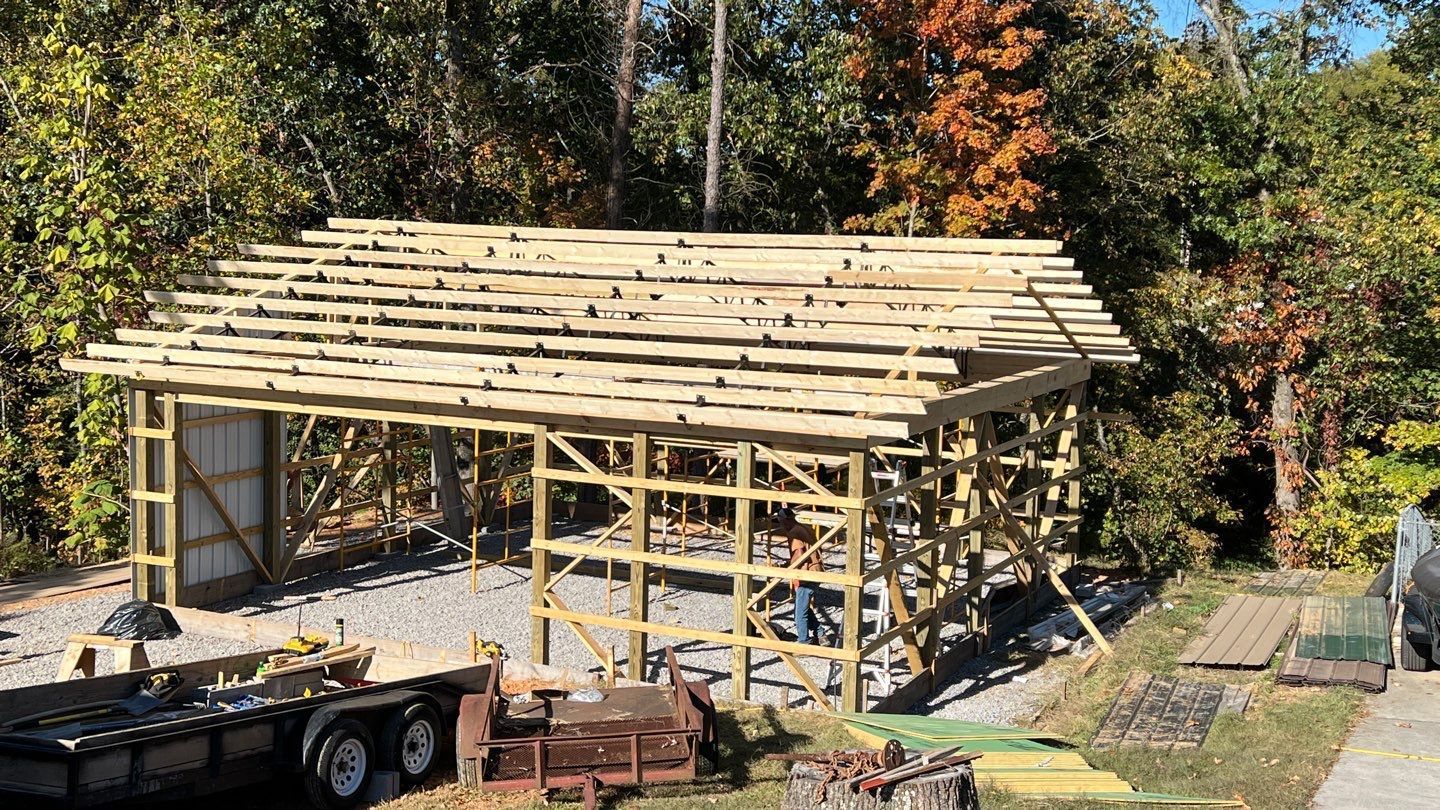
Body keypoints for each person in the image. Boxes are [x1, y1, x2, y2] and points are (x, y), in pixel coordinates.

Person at [775, 507, 827, 645]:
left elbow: (799, 553)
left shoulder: (794, 532)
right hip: (816, 570)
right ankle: (820, 633)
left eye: (780, 522)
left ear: (785, 521)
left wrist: (789, 568)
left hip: (807, 574)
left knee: (799, 613)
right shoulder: (805, 528)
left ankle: (804, 641)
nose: (781, 525)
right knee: (804, 608)